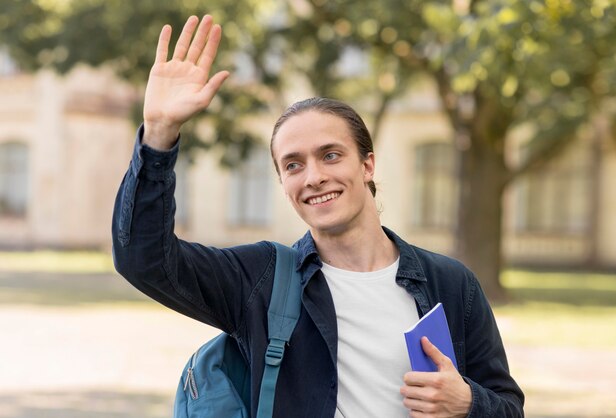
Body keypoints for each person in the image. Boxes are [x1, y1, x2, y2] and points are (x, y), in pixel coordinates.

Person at [112, 14, 524, 418]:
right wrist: (159, 134)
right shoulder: (261, 281)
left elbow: (508, 407)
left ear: (367, 166)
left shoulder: (451, 285)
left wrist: (468, 404)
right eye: (293, 165)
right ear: (283, 183)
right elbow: (144, 260)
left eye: (330, 155)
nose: (314, 177)